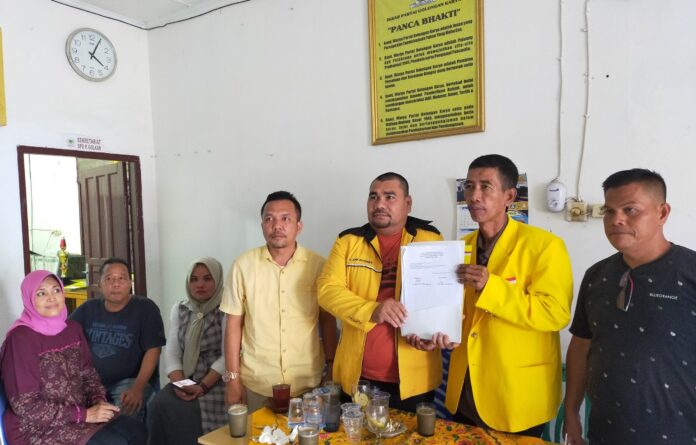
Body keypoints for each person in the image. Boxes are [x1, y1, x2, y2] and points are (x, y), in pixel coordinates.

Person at [424, 155, 573, 435]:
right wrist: (441, 332)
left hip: (515, 392)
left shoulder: (544, 246)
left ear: (509, 196)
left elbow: (554, 313)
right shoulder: (459, 248)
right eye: (469, 186)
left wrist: (490, 286)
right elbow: (459, 314)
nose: (474, 196)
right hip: (465, 388)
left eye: (485, 187)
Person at [564, 169, 696, 444]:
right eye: (609, 211)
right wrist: (571, 411)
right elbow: (581, 345)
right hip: (605, 431)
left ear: (662, 213)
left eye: (630, 210)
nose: (617, 220)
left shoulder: (690, 272)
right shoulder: (597, 275)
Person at [317, 172, 444, 412]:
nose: (379, 204)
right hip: (358, 377)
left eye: (389, 197)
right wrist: (373, 310)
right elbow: (326, 290)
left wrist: (433, 332)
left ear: (408, 203)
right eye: (373, 197)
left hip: (416, 379)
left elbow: (441, 298)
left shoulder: (431, 239)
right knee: (355, 432)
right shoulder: (348, 241)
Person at [222, 191, 338, 413]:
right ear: (262, 226)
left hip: (307, 383)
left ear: (299, 226)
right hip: (257, 383)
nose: (277, 226)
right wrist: (232, 380)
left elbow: (327, 320)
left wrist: (332, 366)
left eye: (285, 218)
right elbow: (233, 325)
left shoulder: (318, 266)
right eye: (269, 219)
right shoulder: (243, 266)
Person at [0, 270, 146, 445]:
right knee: (114, 442)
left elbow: (88, 374)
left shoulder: (72, 328)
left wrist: (98, 401)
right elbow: (26, 405)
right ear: (29, 299)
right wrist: (84, 415)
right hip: (38, 428)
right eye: (41, 293)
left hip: (83, 413)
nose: (51, 298)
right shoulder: (20, 339)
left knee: (136, 430)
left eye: (56, 290)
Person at [70, 258, 166, 423]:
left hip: (129, 383)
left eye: (122, 278)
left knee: (124, 419)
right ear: (100, 284)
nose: (116, 284)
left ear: (130, 283)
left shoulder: (145, 308)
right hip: (91, 384)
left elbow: (154, 350)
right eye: (109, 278)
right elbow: (64, 333)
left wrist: (137, 388)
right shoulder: (88, 309)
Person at [147, 258, 227, 444]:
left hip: (217, 381)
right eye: (194, 279)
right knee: (159, 404)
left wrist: (202, 387)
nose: (200, 285)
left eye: (207, 278)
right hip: (185, 378)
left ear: (217, 280)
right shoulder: (180, 309)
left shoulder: (226, 309)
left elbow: (227, 356)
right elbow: (172, 352)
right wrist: (181, 384)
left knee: (192, 412)